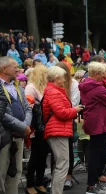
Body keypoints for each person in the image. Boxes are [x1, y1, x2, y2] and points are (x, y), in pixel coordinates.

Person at [79, 62, 106, 194]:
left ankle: (95, 183)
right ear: (97, 74)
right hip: (99, 123)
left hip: (96, 122)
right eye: (103, 73)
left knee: (99, 154)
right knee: (96, 156)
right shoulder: (97, 88)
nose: (105, 76)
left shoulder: (89, 85)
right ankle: (91, 186)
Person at [42, 66, 83, 194]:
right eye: (62, 77)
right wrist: (75, 110)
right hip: (58, 130)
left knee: (60, 164)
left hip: (58, 130)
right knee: (62, 164)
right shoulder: (54, 92)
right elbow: (61, 113)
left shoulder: (53, 90)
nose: (65, 80)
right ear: (56, 78)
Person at [0, 56, 32, 194]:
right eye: (15, 66)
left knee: (16, 172)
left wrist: (25, 126)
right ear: (4, 69)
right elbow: (2, 115)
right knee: (1, 173)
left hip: (19, 136)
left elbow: (28, 108)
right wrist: (22, 126)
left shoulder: (16, 85)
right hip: (4, 137)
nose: (18, 69)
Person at [25, 64, 49, 194]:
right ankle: (30, 184)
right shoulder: (31, 87)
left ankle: (39, 182)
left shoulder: (44, 87)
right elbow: (29, 106)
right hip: (36, 127)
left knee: (43, 156)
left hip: (45, 126)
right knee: (35, 156)